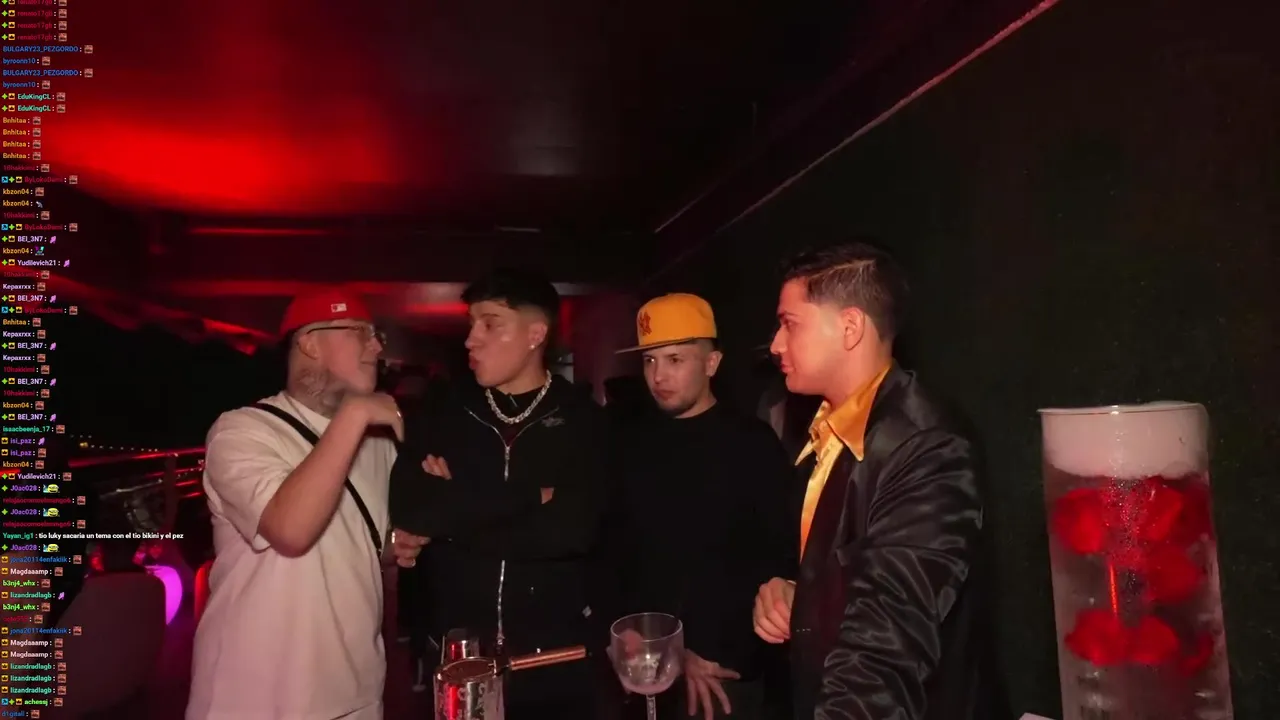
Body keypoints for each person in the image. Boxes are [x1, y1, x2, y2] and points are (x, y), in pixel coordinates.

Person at [752, 243, 991, 720]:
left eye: (789, 324)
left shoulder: (928, 446)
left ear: (850, 327)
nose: (776, 344)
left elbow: (887, 645)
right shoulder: (831, 428)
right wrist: (802, 597)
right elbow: (858, 575)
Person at [188, 287, 427, 720]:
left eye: (377, 336)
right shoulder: (242, 431)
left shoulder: (378, 445)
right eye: (361, 332)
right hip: (256, 697)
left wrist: (395, 544)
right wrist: (354, 415)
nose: (377, 347)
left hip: (354, 690)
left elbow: (362, 542)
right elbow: (290, 531)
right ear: (310, 343)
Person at [390, 268, 610, 719]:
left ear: (535, 334)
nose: (471, 339)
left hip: (556, 662)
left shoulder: (585, 422)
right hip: (460, 657)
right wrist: (530, 498)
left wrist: (455, 513)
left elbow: (572, 532)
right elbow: (414, 509)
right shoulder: (444, 414)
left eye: (490, 324)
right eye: (472, 324)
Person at [603, 293, 795, 720]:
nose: (658, 376)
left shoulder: (752, 445)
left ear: (712, 363)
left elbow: (776, 560)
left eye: (675, 359)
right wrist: (636, 636)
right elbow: (614, 553)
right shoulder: (627, 443)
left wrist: (701, 653)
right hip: (643, 665)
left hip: (722, 674)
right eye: (650, 361)